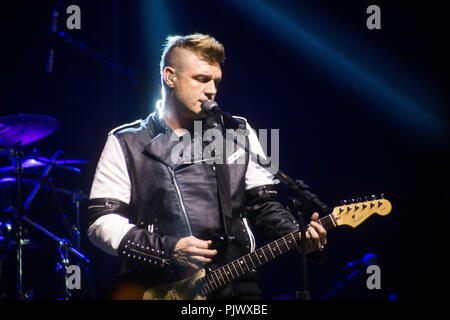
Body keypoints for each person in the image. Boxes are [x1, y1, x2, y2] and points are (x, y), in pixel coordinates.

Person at [86, 33, 327, 300]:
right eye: (201, 79)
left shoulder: (239, 133)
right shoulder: (126, 140)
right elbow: (102, 222)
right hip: (160, 288)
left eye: (216, 81)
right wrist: (168, 249)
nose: (212, 89)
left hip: (238, 284)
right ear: (170, 77)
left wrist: (296, 234)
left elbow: (264, 205)